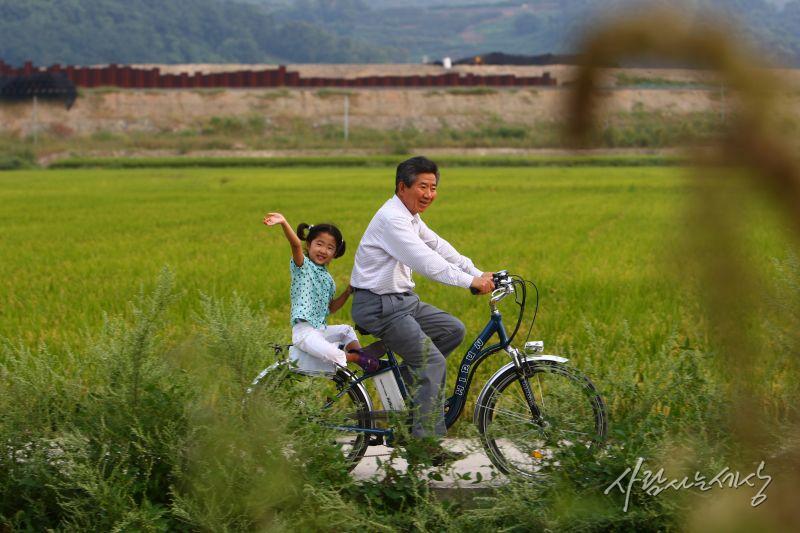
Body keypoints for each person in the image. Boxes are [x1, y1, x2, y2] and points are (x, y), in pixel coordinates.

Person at [350, 156, 494, 456]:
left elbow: (439, 246)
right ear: (402, 187)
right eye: (423, 187)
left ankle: (404, 399)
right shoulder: (392, 219)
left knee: (452, 330)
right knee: (431, 362)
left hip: (402, 301)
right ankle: (424, 444)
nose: (429, 194)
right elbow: (427, 262)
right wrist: (469, 282)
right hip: (379, 306)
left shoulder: (410, 216)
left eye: (434, 187)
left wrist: (476, 271)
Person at [263, 212, 380, 374]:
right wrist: (283, 222)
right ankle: (357, 359)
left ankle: (362, 358)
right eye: (319, 244)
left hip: (320, 330)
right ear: (309, 244)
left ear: (335, 253)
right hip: (304, 333)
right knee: (333, 354)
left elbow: (331, 308)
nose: (323, 250)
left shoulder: (328, 280)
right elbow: (296, 245)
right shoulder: (302, 267)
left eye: (330, 247)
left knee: (346, 330)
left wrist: (347, 292)